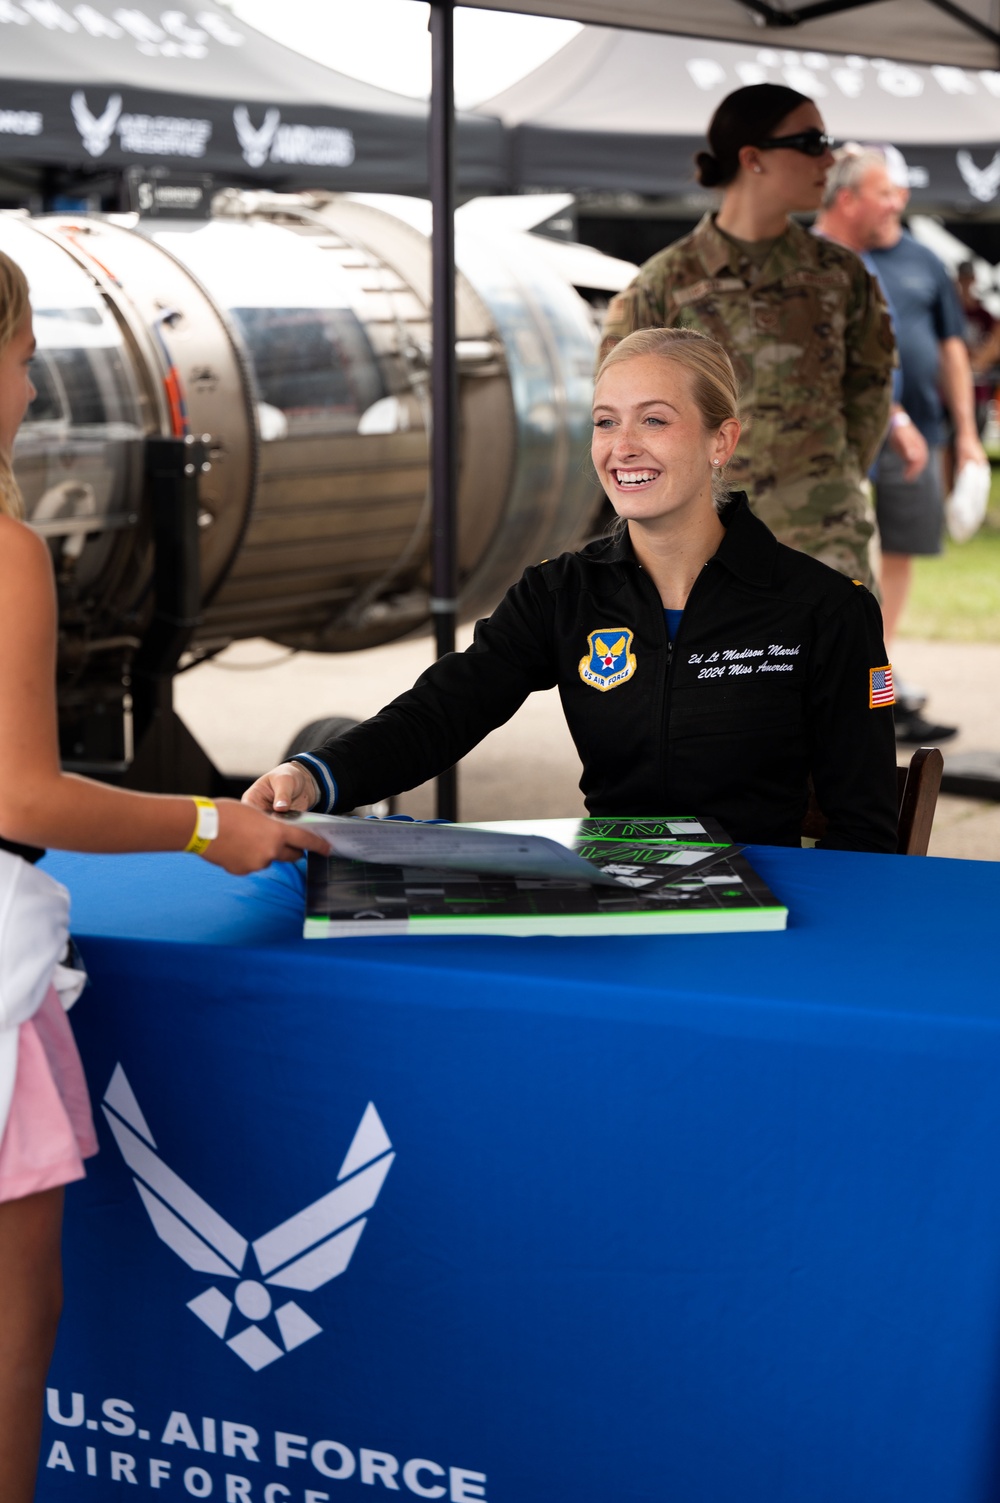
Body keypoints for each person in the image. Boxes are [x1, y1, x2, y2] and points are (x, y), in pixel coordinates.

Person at [0, 249, 326, 1503]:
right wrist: (207, 825)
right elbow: (22, 793)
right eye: (25, 359)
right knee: (12, 1335)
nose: (29, 393)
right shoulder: (7, 552)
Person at [244, 328, 899, 855]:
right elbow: (443, 712)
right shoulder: (563, 593)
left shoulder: (826, 610)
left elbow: (864, 830)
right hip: (610, 911)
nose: (622, 447)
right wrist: (314, 774)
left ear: (721, 440)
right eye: (605, 421)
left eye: (655, 420)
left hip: (759, 927)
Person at [599, 83, 896, 589]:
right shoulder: (664, 283)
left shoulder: (841, 274)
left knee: (840, 666)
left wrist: (832, 471)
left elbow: (869, 389)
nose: (829, 159)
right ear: (753, 158)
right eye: (810, 142)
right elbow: (618, 410)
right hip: (706, 542)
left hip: (824, 532)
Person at [864, 156, 988, 744]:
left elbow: (952, 350)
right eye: (881, 192)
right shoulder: (830, 252)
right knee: (844, 559)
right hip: (857, 432)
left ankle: (876, 678)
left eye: (897, 193)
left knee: (901, 553)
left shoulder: (923, 261)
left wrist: (966, 434)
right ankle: (851, 683)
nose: (893, 204)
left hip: (921, 433)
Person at [814, 145, 928, 485]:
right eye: (884, 194)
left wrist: (895, 418)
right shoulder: (821, 270)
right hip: (825, 473)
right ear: (847, 201)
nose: (895, 205)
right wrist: (896, 419)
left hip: (852, 464)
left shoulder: (856, 262)